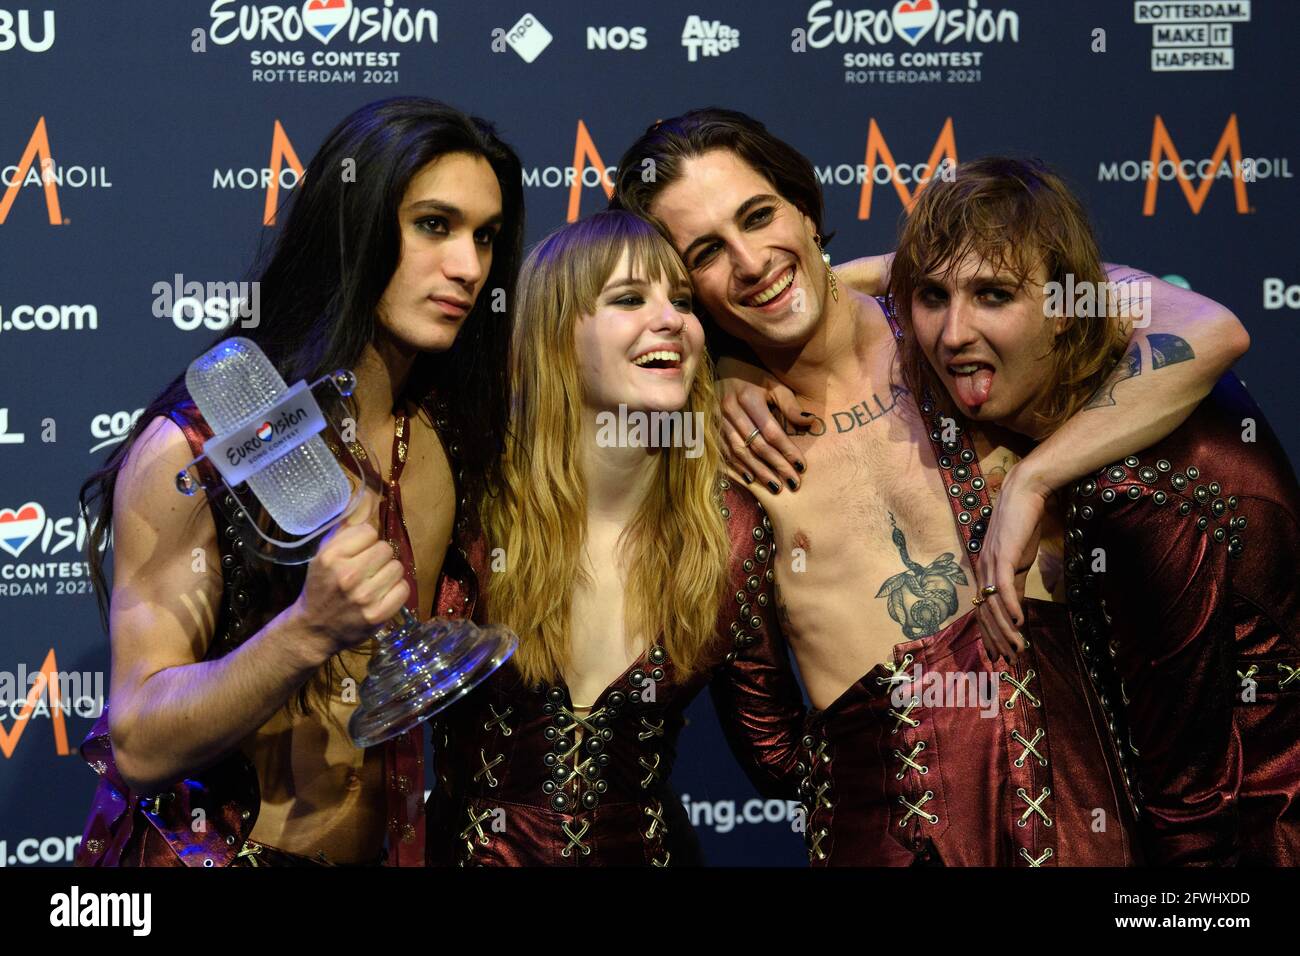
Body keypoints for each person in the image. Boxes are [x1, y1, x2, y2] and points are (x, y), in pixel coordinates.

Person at [611, 108, 1249, 865]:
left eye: (759, 216)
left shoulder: (959, 327)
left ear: (806, 209)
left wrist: (1033, 478)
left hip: (1087, 828)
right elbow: (769, 743)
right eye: (708, 252)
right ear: (681, 290)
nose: (750, 262)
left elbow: (1208, 329)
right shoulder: (719, 446)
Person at [74, 97, 525, 867]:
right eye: (434, 226)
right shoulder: (198, 449)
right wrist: (308, 630)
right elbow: (141, 742)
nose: (470, 267)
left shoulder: (449, 436)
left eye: (485, 237)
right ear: (351, 225)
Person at [891, 156, 1300, 866]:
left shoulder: (1138, 491)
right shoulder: (1105, 389)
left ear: (1067, 308)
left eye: (992, 295)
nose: (953, 333)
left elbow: (1194, 806)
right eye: (932, 295)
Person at [424, 210, 805, 866]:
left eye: (683, 303)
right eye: (629, 299)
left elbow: (782, 760)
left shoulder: (732, 529)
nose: (672, 321)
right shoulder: (465, 495)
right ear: (553, 334)